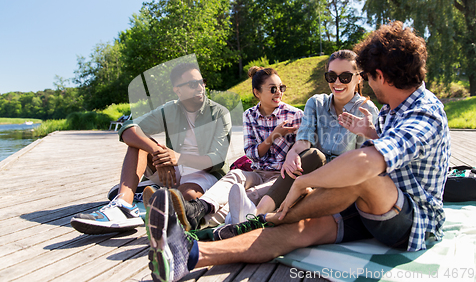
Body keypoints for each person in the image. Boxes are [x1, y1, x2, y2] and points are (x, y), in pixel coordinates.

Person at [145, 20, 451, 282]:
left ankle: (266, 218)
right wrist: (370, 132)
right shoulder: (389, 111)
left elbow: (368, 164)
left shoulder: (426, 113)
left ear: (380, 75)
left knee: (360, 175)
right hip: (373, 206)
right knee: (302, 230)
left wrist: (303, 184)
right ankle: (191, 253)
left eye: (367, 77)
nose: (368, 85)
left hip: (414, 222)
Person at [221, 50, 378, 230]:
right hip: (311, 171)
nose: (337, 82)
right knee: (311, 156)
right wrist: (292, 154)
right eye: (332, 76)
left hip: (342, 178)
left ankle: (255, 216)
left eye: (345, 77)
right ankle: (256, 217)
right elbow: (304, 141)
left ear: (358, 78)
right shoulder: (316, 103)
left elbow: (367, 161)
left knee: (310, 164)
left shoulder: (366, 110)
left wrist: (369, 132)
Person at [70, 62, 232, 235]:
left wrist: (178, 158)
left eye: (202, 82)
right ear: (178, 90)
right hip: (172, 168)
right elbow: (128, 128)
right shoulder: (171, 109)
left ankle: (148, 193)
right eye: (193, 84)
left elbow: (216, 159)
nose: (201, 87)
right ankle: (124, 204)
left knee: (187, 197)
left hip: (205, 173)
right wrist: (157, 151)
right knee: (138, 143)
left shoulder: (220, 113)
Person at [165, 67, 304, 231]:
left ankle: (202, 222)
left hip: (281, 177)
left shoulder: (295, 115)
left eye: (281, 88)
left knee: (248, 194)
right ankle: (200, 207)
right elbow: (252, 154)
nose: (279, 93)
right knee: (235, 175)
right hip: (258, 171)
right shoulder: (249, 115)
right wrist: (273, 136)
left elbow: (304, 150)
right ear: (257, 93)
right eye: (273, 89)